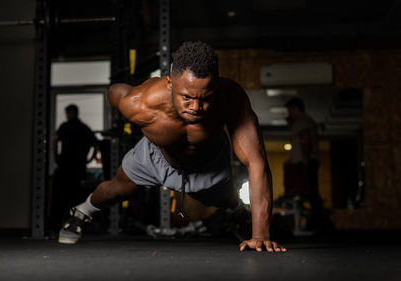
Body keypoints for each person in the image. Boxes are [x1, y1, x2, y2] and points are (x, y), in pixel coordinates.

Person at [59, 41, 286, 252]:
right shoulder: (139, 104)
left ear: (216, 85)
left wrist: (261, 234)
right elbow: (114, 92)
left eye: (206, 98)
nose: (196, 107)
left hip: (208, 161)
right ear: (169, 82)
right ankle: (80, 212)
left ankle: (238, 211)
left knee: (225, 200)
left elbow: (257, 162)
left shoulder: (231, 98)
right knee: (116, 190)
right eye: (186, 97)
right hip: (155, 154)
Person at [50, 104, 99, 232]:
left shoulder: (65, 127)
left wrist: (56, 157)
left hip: (65, 166)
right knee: (77, 198)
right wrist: (90, 158)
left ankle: (55, 227)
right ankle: (77, 226)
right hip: (79, 167)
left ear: (69, 113)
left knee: (60, 198)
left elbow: (54, 140)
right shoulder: (85, 128)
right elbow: (96, 145)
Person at [284, 97, 323, 228]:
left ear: (296, 108)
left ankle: (318, 222)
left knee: (310, 192)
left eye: (289, 109)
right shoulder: (306, 121)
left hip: (305, 162)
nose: (288, 112)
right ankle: (316, 222)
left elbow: (305, 141)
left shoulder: (302, 121)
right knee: (311, 192)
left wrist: (305, 160)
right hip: (306, 161)